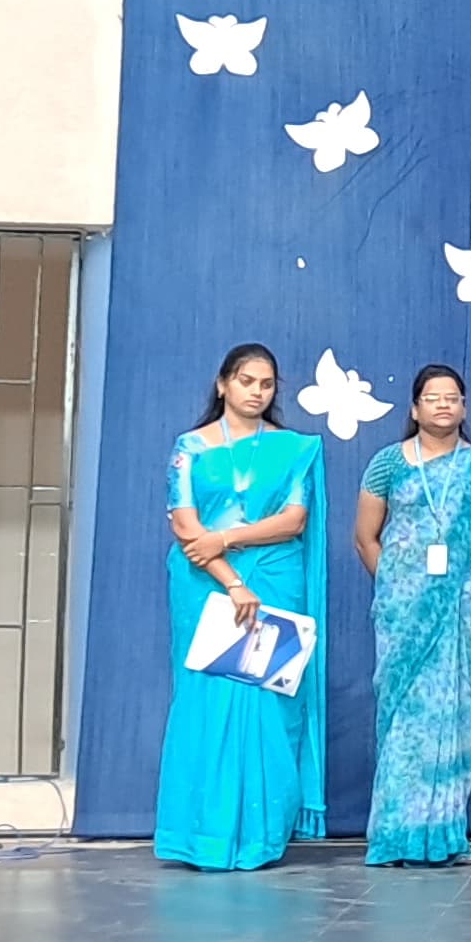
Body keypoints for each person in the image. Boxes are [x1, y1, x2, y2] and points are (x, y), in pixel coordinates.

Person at [158, 343, 328, 870]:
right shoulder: (190, 447)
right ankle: (203, 837)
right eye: (246, 381)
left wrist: (227, 538)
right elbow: (186, 524)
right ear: (223, 384)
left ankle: (260, 838)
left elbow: (294, 519)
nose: (257, 392)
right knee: (207, 700)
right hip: (204, 585)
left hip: (275, 577)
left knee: (268, 705)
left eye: (267, 384)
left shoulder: (293, 449)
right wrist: (232, 582)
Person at [356, 364, 471, 868]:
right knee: (405, 721)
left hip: (461, 615)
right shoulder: (387, 463)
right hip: (402, 617)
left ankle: (443, 836)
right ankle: (395, 837)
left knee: (452, 718)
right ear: (414, 407)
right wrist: (399, 590)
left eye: (452, 397)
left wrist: (454, 588)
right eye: (432, 397)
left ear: (464, 407)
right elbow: (365, 538)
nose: (443, 404)